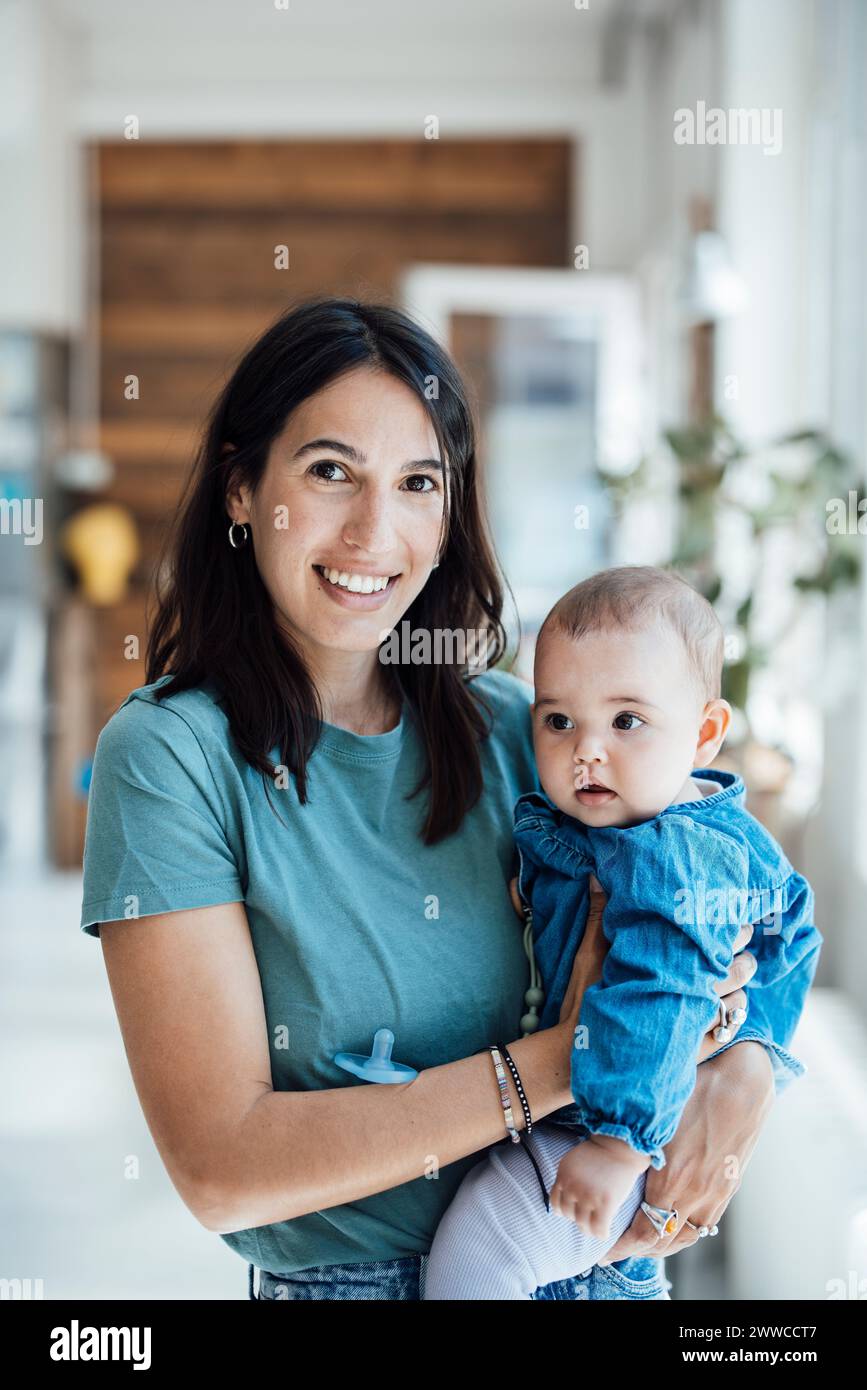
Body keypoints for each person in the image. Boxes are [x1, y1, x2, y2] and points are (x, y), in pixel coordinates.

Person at [79, 297, 770, 1302]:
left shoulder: (521, 729)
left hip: (594, 1264)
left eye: (418, 483)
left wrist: (746, 1072)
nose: (375, 530)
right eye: (329, 472)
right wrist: (574, 1058)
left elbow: (718, 909)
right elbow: (223, 1169)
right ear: (241, 488)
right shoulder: (169, 756)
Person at [423, 566, 821, 1299]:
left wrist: (618, 1144)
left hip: (624, 1132)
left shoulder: (678, 857)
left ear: (703, 733)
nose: (587, 750)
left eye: (626, 721)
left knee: (477, 1259)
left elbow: (663, 991)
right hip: (600, 1120)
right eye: (558, 721)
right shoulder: (611, 823)